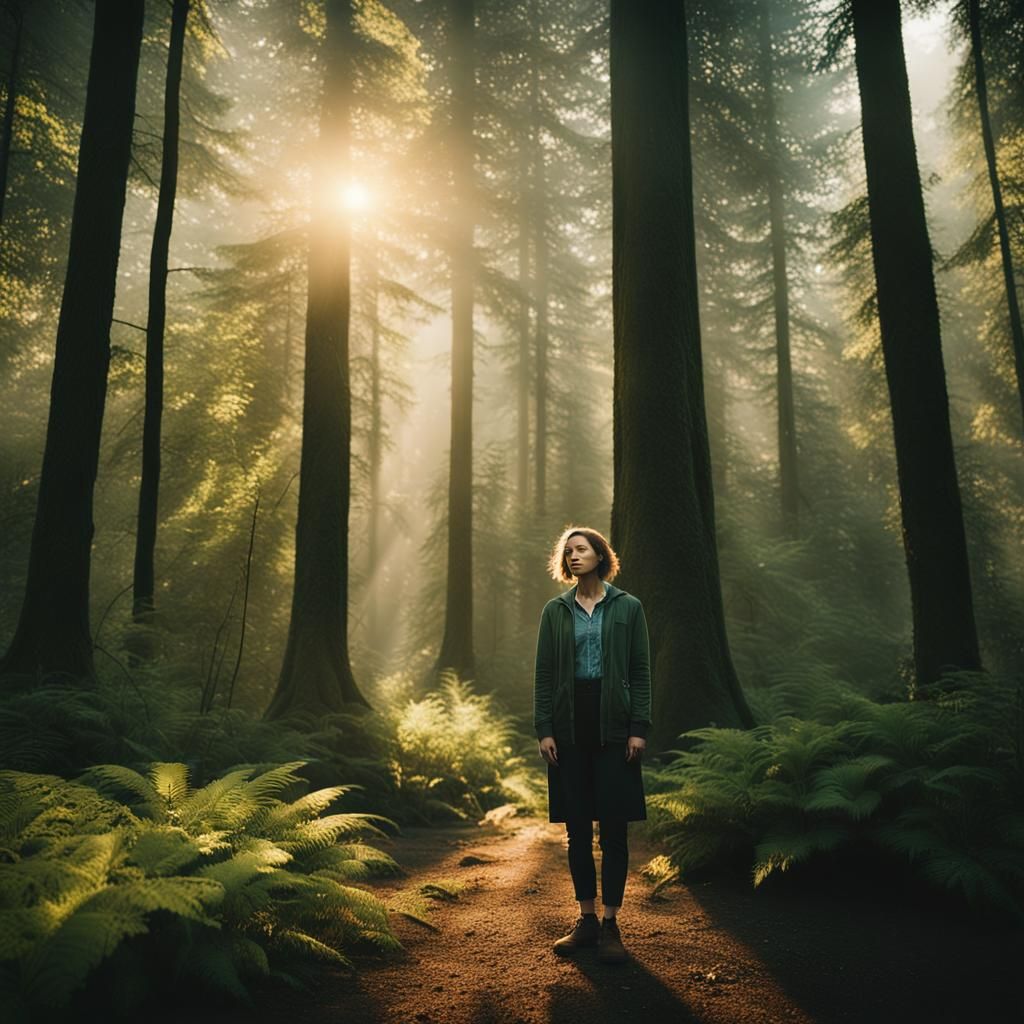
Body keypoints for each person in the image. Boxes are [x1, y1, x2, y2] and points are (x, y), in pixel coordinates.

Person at [533, 525, 652, 965]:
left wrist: (639, 726)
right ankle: (584, 920)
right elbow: (544, 674)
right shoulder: (554, 611)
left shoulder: (628, 608)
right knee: (577, 828)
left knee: (614, 828)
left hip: (615, 727)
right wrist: (544, 728)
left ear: (600, 556)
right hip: (568, 728)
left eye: (581, 549)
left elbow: (640, 670)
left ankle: (611, 924)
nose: (573, 556)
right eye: (568, 552)